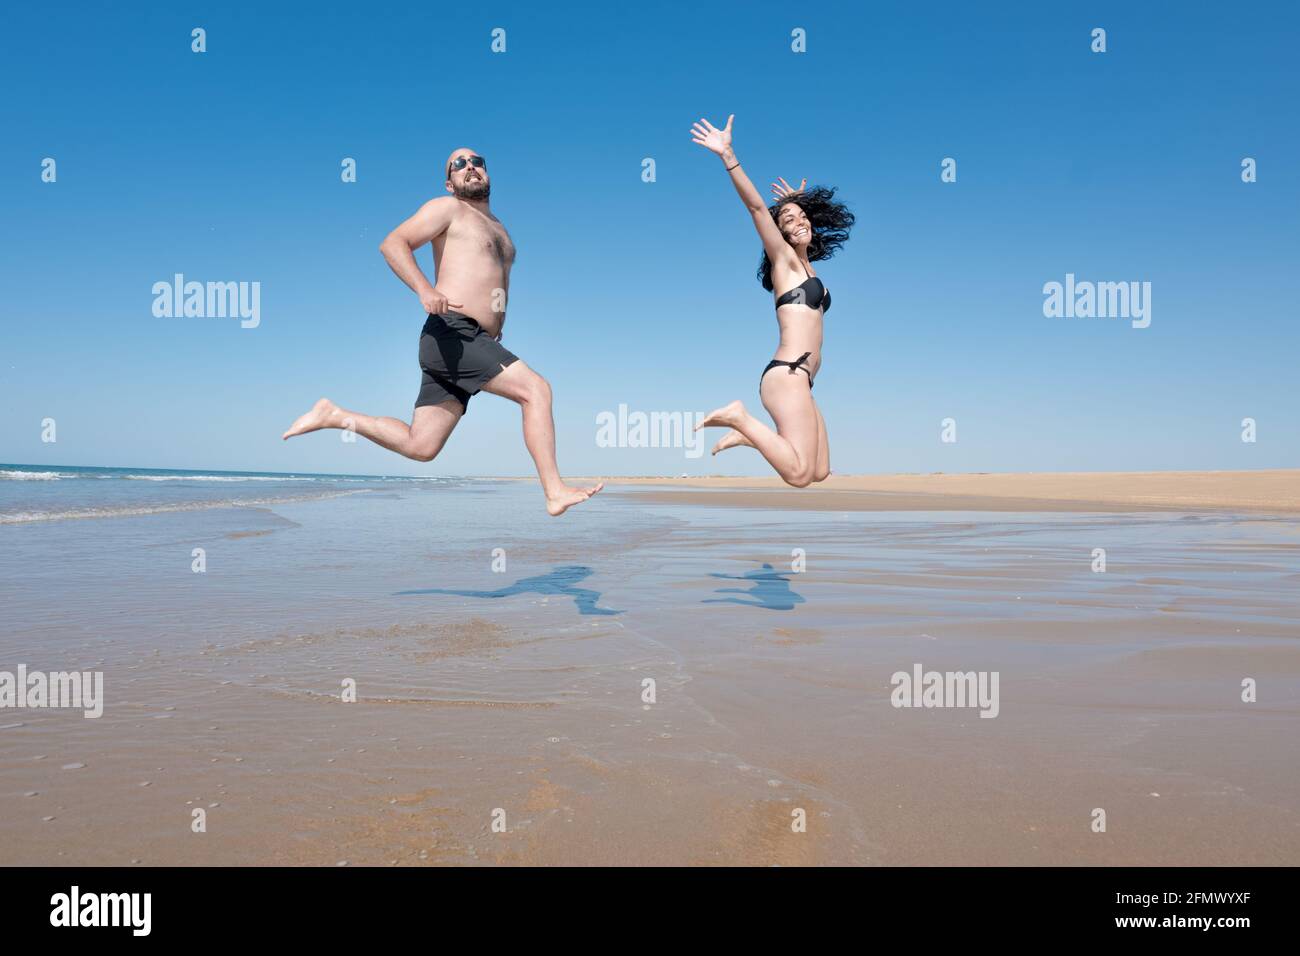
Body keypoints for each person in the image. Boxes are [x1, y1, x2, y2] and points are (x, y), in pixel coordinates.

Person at [282, 147, 602, 515]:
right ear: (449, 183)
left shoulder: (502, 232)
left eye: (477, 162)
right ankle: (553, 490)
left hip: (469, 340)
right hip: (451, 332)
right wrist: (425, 289)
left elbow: (495, 281)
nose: (470, 167)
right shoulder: (446, 209)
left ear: (487, 173)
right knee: (536, 390)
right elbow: (392, 243)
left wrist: (497, 320)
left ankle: (335, 416)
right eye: (459, 165)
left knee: (422, 446)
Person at [689, 115, 855, 487]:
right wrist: (728, 156)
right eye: (789, 221)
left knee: (818, 471)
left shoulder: (809, 269)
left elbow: (793, 219)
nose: (799, 222)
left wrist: (793, 202)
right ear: (777, 235)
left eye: (802, 217)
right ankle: (740, 418)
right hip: (786, 375)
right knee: (797, 475)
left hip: (805, 382)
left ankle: (750, 437)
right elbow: (756, 209)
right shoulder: (784, 264)